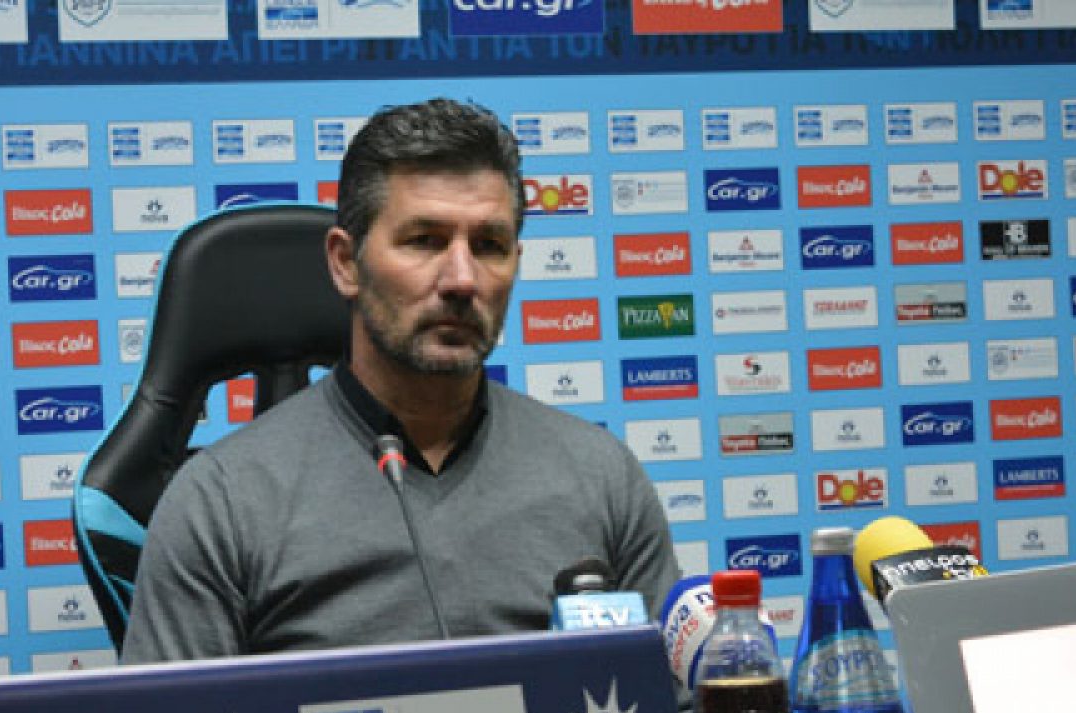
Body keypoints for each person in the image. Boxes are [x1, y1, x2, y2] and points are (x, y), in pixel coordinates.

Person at [120, 97, 679, 666]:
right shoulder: (222, 501)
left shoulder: (600, 477)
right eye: (424, 241)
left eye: (488, 246)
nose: (462, 280)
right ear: (345, 263)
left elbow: (673, 704)